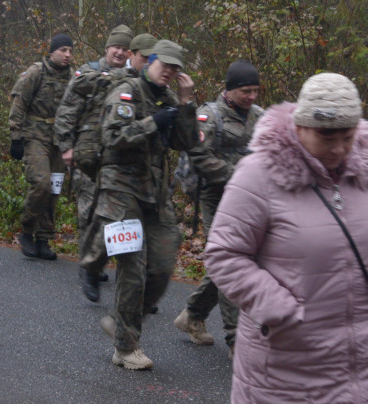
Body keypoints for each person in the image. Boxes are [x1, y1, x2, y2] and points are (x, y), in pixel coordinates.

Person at [204, 72, 368, 404]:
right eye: (327, 136)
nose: (339, 149)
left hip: (362, 372)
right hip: (285, 375)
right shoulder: (259, 174)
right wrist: (283, 310)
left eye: (347, 136)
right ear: (299, 127)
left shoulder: (365, 168)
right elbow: (224, 255)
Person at [92, 39, 198, 370]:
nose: (169, 71)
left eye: (175, 68)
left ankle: (121, 320)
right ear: (150, 62)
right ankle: (126, 346)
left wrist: (185, 105)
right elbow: (112, 137)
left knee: (164, 264)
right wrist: (155, 122)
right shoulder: (126, 91)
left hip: (155, 193)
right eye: (164, 64)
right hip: (121, 191)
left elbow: (188, 142)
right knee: (132, 268)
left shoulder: (168, 99)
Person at [174, 60, 264, 354]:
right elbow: (198, 155)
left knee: (232, 263)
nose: (251, 97)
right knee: (231, 260)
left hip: (249, 199)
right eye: (245, 91)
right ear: (229, 90)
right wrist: (238, 174)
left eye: (255, 91)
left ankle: (194, 315)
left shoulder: (259, 117)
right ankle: (236, 336)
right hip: (216, 196)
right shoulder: (208, 116)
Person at [54, 24, 133, 298]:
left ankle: (99, 263)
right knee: (88, 210)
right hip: (86, 153)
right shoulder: (88, 73)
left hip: (115, 156)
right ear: (107, 48)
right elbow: (66, 110)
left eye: (125, 49)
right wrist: (66, 147)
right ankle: (89, 264)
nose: (120, 52)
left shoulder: (133, 79)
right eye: (117, 47)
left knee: (113, 214)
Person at [8, 34, 73, 260]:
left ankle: (44, 237)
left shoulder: (74, 78)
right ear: (51, 51)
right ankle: (26, 228)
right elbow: (19, 103)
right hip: (35, 137)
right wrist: (16, 137)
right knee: (42, 183)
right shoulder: (36, 72)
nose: (67, 55)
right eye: (63, 50)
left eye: (70, 51)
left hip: (60, 140)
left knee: (54, 190)